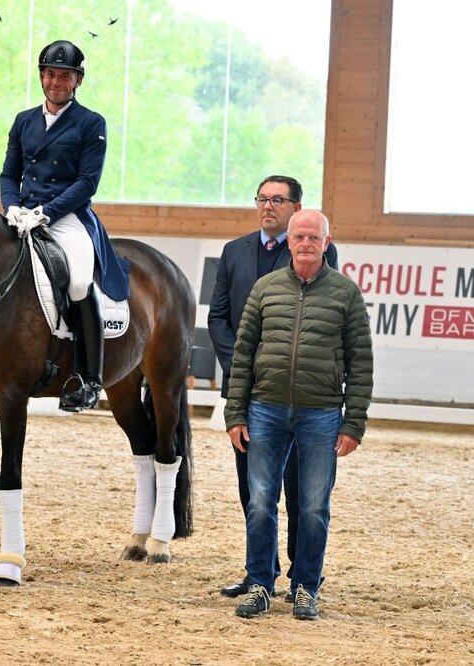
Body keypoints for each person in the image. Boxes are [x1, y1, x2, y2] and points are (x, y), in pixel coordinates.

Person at [224, 209, 373, 620]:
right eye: (299, 236)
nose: (306, 243)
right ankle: (259, 583)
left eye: (314, 237)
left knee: (313, 506)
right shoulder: (265, 289)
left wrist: (354, 422)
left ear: (327, 242)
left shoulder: (346, 293)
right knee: (260, 502)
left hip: (321, 413)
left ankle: (306, 587)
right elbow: (242, 354)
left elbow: (361, 361)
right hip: (264, 409)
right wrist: (235, 412)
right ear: (288, 241)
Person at [208, 175, 339, 600]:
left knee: (302, 490)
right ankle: (259, 573)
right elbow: (218, 318)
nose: (268, 206)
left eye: (278, 200)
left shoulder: (312, 248)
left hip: (297, 391)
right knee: (254, 490)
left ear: (296, 207)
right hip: (248, 390)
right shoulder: (233, 251)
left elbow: (321, 318)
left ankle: (303, 576)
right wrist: (245, 368)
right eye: (262, 198)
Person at [0, 39, 129, 413]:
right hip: (22, 215)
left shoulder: (91, 123)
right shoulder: (24, 120)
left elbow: (87, 183)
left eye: (65, 76)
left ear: (77, 81)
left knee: (78, 282)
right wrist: (11, 206)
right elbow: (9, 173)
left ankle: (89, 379)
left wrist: (47, 212)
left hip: (66, 216)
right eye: (51, 74)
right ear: (42, 76)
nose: (57, 82)